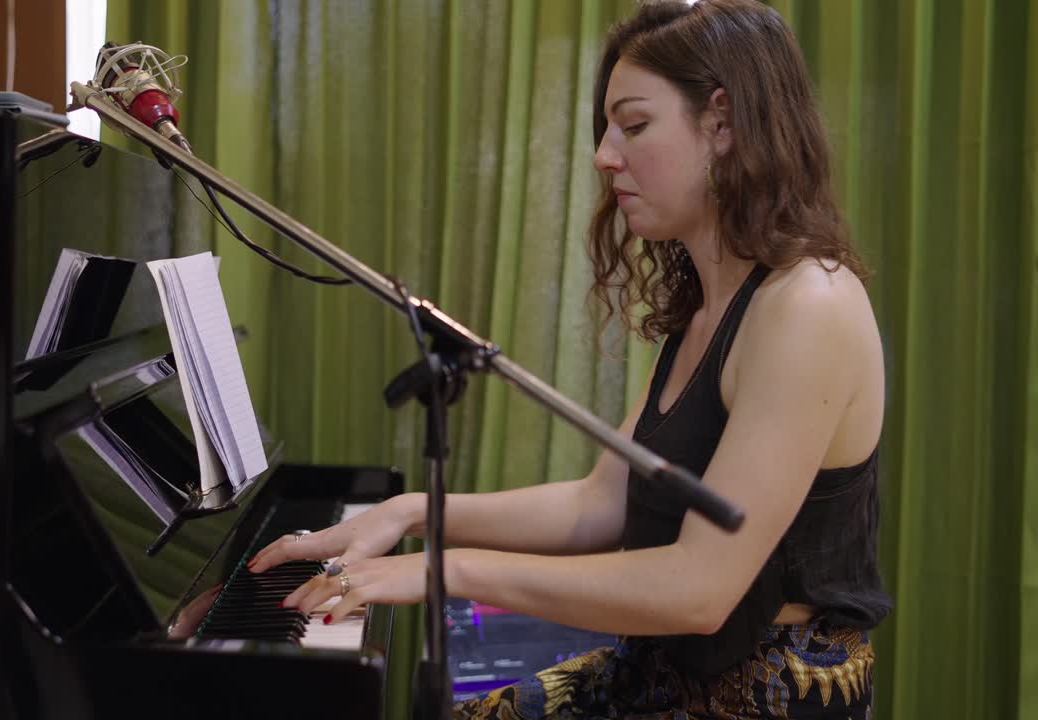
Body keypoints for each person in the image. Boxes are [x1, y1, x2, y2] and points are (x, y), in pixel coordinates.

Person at [247, 0, 891, 717]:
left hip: (764, 695)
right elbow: (601, 503)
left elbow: (699, 590)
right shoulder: (716, 304)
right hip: (668, 672)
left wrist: (441, 570)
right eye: (608, 128)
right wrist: (408, 513)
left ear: (723, 123)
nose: (604, 154)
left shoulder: (807, 305)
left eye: (635, 125)